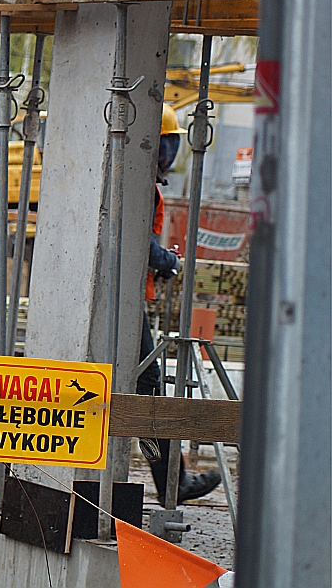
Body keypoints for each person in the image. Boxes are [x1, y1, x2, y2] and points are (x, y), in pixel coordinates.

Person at [137, 104, 221, 504]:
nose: (168, 156)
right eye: (166, 146)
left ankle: (171, 479)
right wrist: (169, 261)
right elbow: (138, 241)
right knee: (147, 391)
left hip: (124, 299)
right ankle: (173, 483)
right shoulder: (138, 184)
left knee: (140, 397)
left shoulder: (139, 182)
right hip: (118, 303)